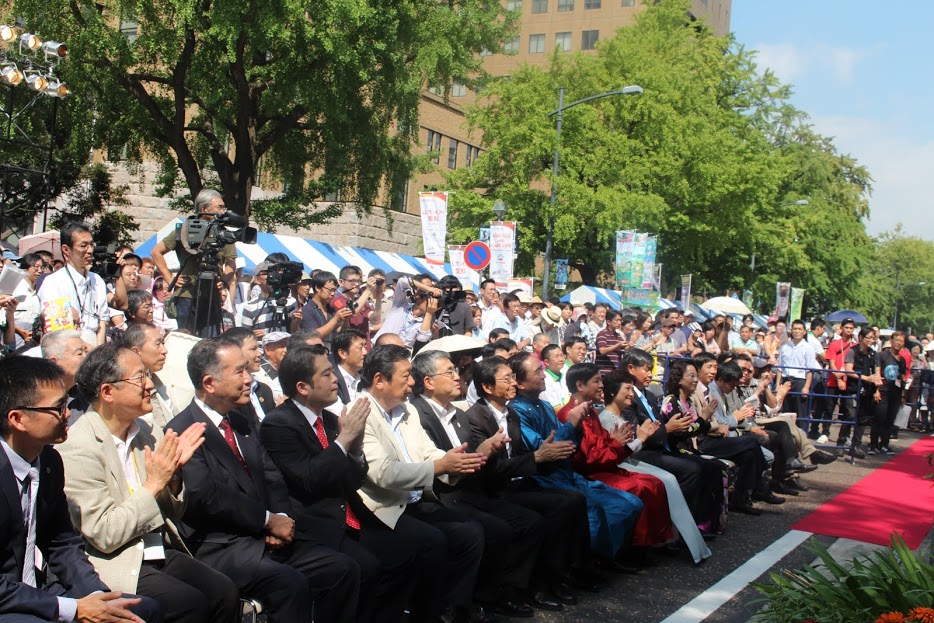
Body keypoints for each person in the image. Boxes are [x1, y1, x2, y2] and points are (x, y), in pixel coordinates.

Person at [165, 337, 361, 622]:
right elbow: (206, 496)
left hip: (268, 536)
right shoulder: (183, 431)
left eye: (247, 369)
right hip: (225, 545)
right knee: (288, 585)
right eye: (239, 371)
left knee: (343, 569)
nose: (249, 379)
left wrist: (281, 518)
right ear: (209, 383)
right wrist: (267, 520)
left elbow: (272, 477)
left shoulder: (242, 421)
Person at [58, 342, 240, 623]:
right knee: (188, 603)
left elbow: (173, 512)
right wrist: (154, 483)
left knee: (224, 592)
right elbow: (105, 535)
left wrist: (174, 476)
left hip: (156, 546)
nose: (150, 385)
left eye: (148, 376)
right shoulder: (78, 446)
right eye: (139, 378)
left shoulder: (146, 431)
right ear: (108, 392)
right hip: (117, 559)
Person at [261, 345, 419, 623]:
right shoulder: (279, 424)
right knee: (363, 567)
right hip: (313, 523)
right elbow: (309, 478)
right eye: (326, 374)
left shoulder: (332, 420)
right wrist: (344, 441)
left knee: (404, 553)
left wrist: (355, 450)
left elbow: (353, 480)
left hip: (350, 515)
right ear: (303, 387)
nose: (336, 379)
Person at [0, 356, 163, 623]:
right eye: (58, 408)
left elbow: (61, 543)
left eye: (66, 403)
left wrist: (98, 597)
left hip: (36, 590)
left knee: (141, 611)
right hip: (9, 601)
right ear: (18, 419)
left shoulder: (49, 461)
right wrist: (73, 609)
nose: (68, 414)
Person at [352, 345, 486, 623]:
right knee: (431, 542)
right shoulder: (360, 412)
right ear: (379, 380)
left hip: (416, 500)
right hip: (384, 508)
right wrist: (440, 466)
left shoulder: (408, 410)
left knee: (470, 532)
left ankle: (455, 610)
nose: (413, 383)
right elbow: (383, 473)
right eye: (406, 376)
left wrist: (456, 462)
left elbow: (428, 452)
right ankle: (426, 614)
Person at [409, 350, 540, 618]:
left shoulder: (458, 415)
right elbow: (434, 463)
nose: (458, 377)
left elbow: (470, 460)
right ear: (428, 382)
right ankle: (459, 606)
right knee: (484, 530)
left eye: (456, 371)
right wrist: (478, 454)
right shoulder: (417, 414)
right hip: (441, 495)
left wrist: (483, 453)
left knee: (521, 523)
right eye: (449, 372)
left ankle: (492, 594)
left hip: (470, 490)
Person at [465, 356, 595, 604]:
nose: (514, 383)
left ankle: (568, 573)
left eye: (513, 377)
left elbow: (526, 453)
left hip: (518, 481)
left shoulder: (511, 413)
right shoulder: (475, 418)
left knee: (574, 499)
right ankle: (533, 585)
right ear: (488, 387)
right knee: (547, 513)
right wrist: (537, 456)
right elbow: (491, 470)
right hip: (494, 490)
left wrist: (542, 452)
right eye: (507, 379)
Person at [509, 352, 643, 559]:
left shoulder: (545, 405)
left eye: (542, 370)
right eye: (537, 372)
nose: (544, 375)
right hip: (545, 478)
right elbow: (544, 449)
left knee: (632, 504)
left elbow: (571, 445)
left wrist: (578, 428)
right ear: (520, 383)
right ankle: (591, 562)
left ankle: (606, 556)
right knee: (596, 512)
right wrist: (572, 424)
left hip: (569, 474)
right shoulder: (517, 411)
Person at [597, 369, 711, 564]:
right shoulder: (606, 418)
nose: (631, 394)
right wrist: (641, 438)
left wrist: (642, 437)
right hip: (623, 465)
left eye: (631, 389)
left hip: (630, 461)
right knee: (663, 480)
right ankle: (662, 539)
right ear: (613, 392)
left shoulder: (620, 416)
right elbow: (619, 453)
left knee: (669, 479)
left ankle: (674, 537)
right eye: (627, 389)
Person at [557, 363, 673, 553]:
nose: (601, 385)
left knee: (655, 483)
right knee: (639, 487)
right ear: (580, 385)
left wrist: (618, 444)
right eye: (596, 381)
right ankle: (631, 548)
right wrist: (618, 444)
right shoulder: (571, 415)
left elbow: (604, 445)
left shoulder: (591, 412)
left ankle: (650, 543)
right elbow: (588, 459)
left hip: (604, 466)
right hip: (588, 474)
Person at [619, 349, 726, 535]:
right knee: (692, 470)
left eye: (652, 369)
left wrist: (695, 423)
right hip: (643, 452)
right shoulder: (630, 399)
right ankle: (674, 527)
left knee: (711, 466)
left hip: (665, 446)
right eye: (646, 369)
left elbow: (669, 428)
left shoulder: (649, 396)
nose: (651, 374)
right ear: (631, 369)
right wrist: (670, 429)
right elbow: (639, 434)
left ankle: (698, 523)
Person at [150, 189, 237, 336]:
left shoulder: (223, 233)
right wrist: (169, 278)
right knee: (185, 337)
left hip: (211, 294)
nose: (223, 211)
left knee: (210, 340)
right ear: (204, 209)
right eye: (219, 207)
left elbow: (231, 263)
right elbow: (156, 252)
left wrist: (224, 280)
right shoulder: (185, 230)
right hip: (186, 294)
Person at [37, 222, 110, 345]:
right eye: (83, 246)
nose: (90, 251)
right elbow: (57, 331)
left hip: (95, 347)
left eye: (92, 245)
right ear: (66, 250)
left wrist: (98, 352)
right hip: (67, 347)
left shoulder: (97, 281)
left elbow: (102, 322)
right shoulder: (53, 282)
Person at [218, 328, 276, 426]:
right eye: (253, 349)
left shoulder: (263, 390)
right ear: (235, 351)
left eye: (258, 348)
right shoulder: (230, 396)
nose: (259, 354)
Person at [124, 323, 176, 429]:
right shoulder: (129, 390)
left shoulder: (158, 381)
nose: (164, 351)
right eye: (157, 344)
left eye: (163, 343)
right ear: (136, 352)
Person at [40, 330, 90, 423]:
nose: (86, 357)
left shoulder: (86, 393)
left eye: (86, 351)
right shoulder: (38, 400)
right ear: (53, 362)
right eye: (79, 353)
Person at [776, 320, 819, 427]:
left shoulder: (808, 348)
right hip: (786, 380)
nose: (797, 331)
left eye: (799, 329)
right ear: (791, 331)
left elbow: (810, 370)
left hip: (800, 381)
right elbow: (780, 368)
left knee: (801, 412)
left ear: (804, 331)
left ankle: (802, 434)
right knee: (785, 411)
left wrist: (806, 387)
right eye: (795, 329)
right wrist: (777, 385)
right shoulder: (785, 347)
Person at [870, 331, 907, 455]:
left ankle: (884, 444)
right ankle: (873, 444)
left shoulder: (902, 360)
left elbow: (902, 377)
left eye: (901, 341)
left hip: (895, 393)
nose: (898, 343)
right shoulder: (882, 355)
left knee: (890, 420)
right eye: (896, 340)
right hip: (882, 391)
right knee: (879, 418)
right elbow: (877, 373)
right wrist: (876, 390)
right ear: (891, 341)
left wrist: (903, 395)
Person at [299, 271, 352, 349]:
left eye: (335, 290)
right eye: (330, 290)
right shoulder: (307, 310)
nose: (333, 294)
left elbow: (342, 333)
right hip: (315, 353)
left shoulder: (332, 310)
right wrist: (336, 319)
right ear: (317, 288)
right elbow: (313, 336)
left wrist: (346, 320)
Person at [327, 328, 368, 415]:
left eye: (365, 347)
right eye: (360, 348)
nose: (365, 352)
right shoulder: (330, 381)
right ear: (342, 353)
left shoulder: (366, 377)